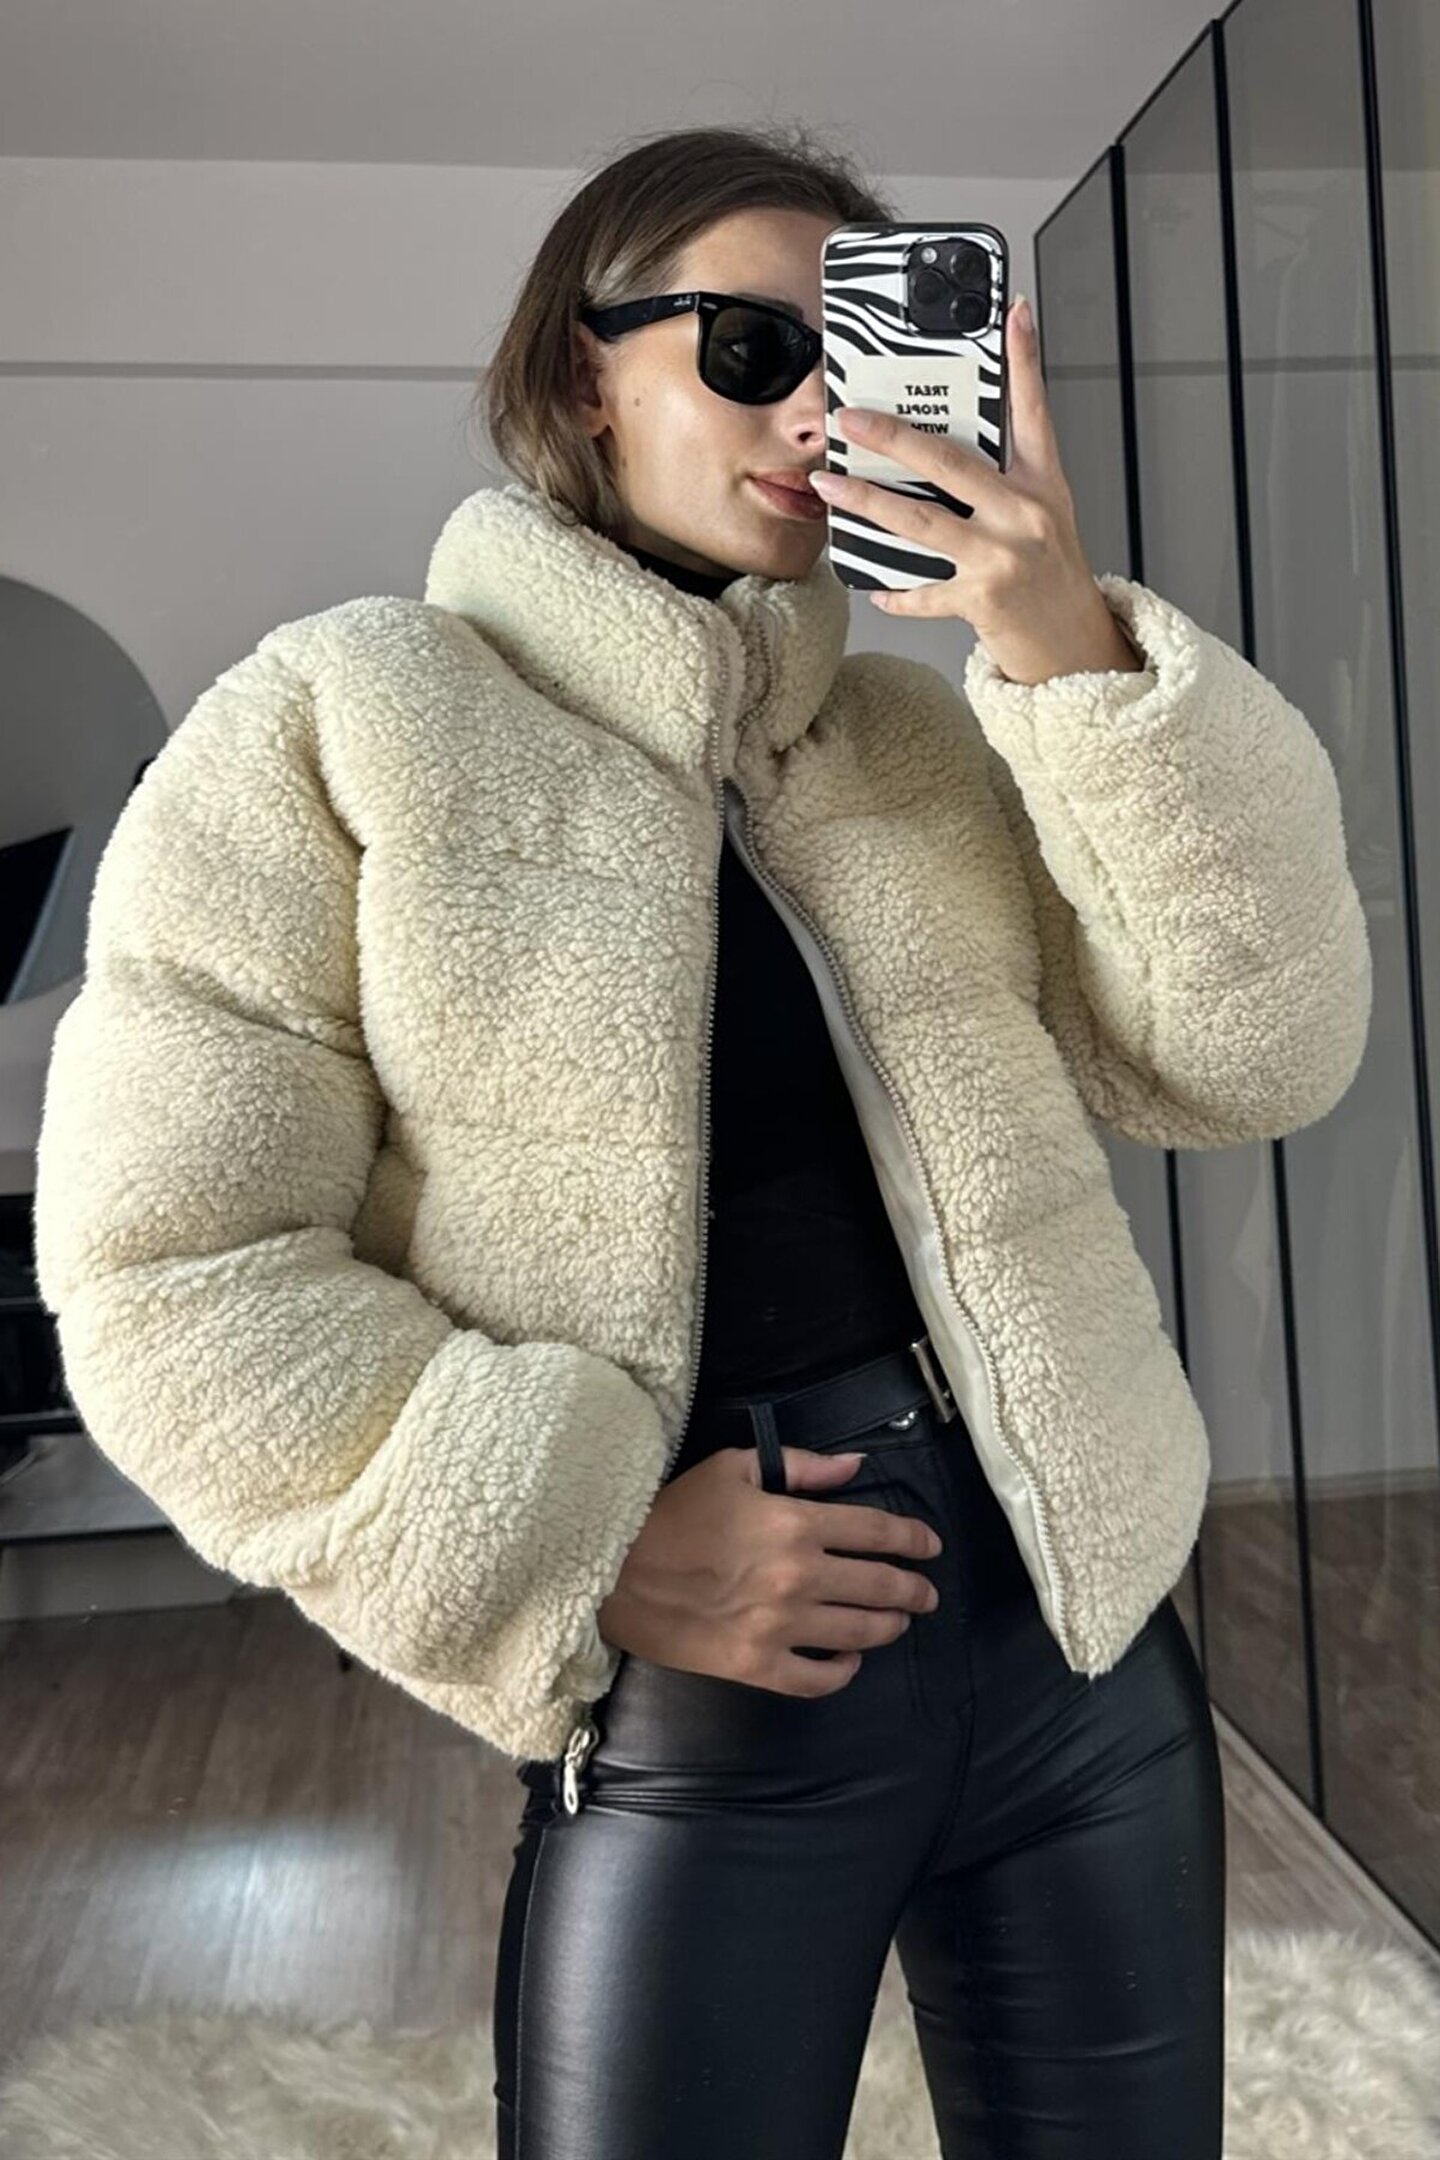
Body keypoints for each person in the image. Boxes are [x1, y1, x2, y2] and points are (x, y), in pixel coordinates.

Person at [32, 123, 1371, 2160]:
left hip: (1084, 1646)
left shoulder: (921, 742)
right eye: (754, 347)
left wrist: (1071, 650)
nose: (818, 412)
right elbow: (169, 1275)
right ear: (588, 371)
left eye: (864, 357)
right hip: (720, 1668)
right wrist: (579, 1535)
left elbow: (1249, 1057)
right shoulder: (341, 718)